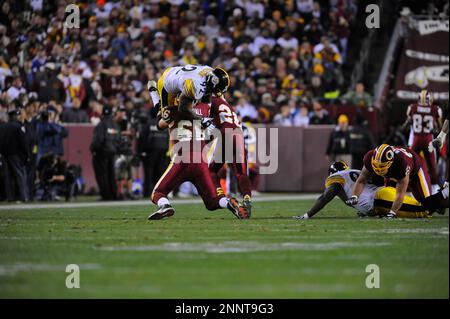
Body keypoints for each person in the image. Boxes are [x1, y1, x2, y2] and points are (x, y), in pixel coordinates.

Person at [148, 102, 249, 220]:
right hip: (201, 161)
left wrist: (160, 111)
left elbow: (160, 126)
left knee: (157, 193)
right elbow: (211, 135)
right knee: (212, 203)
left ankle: (165, 205)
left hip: (182, 159)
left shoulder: (173, 109)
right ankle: (228, 202)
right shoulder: (204, 108)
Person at [293, 161, 429, 219]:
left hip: (380, 199)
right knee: (422, 207)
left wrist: (308, 215)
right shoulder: (356, 172)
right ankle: (439, 200)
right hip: (383, 193)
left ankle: (442, 198)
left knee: (424, 211)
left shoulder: (336, 178)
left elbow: (326, 196)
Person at [349, 144, 449, 218]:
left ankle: (443, 197)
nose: (379, 170)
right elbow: (361, 180)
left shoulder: (401, 163)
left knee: (426, 208)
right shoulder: (369, 158)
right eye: (376, 166)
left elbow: (400, 193)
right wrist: (354, 196)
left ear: (390, 162)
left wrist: (392, 213)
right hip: (393, 173)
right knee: (387, 198)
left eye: (382, 167)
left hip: (415, 171)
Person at [208, 95, 252, 214]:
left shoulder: (210, 100)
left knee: (212, 170)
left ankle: (222, 197)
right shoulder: (227, 105)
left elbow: (208, 124)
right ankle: (247, 198)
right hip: (239, 135)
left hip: (226, 134)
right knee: (241, 173)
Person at [147, 65, 230, 122]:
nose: (217, 93)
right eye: (218, 90)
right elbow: (183, 109)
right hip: (166, 83)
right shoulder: (196, 86)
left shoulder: (210, 71)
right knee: (165, 119)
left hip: (177, 74)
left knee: (204, 96)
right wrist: (201, 120)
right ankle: (153, 91)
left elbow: (215, 95)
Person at [402, 90, 443, 192]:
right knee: (432, 164)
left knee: (409, 161)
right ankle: (434, 187)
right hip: (428, 139)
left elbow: (407, 124)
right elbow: (439, 127)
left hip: (416, 138)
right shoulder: (435, 109)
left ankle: (407, 185)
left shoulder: (412, 107)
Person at [137, 109, 169, 198]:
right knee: (160, 173)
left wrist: (140, 152)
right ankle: (160, 193)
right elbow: (168, 138)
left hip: (150, 151)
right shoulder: (164, 124)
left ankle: (147, 193)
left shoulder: (148, 124)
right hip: (163, 151)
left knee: (148, 173)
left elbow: (142, 138)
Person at [90, 105, 119, 200]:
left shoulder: (101, 125)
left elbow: (98, 141)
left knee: (102, 175)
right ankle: (113, 194)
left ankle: (106, 195)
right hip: (112, 152)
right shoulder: (115, 125)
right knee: (111, 174)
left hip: (101, 153)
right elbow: (118, 140)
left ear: (102, 113)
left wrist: (93, 149)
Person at [0, 108, 29, 202]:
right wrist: (27, 155)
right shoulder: (18, 126)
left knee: (8, 176)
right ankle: (23, 196)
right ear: (16, 116)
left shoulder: (2, 127)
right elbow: (23, 142)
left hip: (4, 155)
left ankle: (10, 197)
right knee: (19, 175)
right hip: (16, 155)